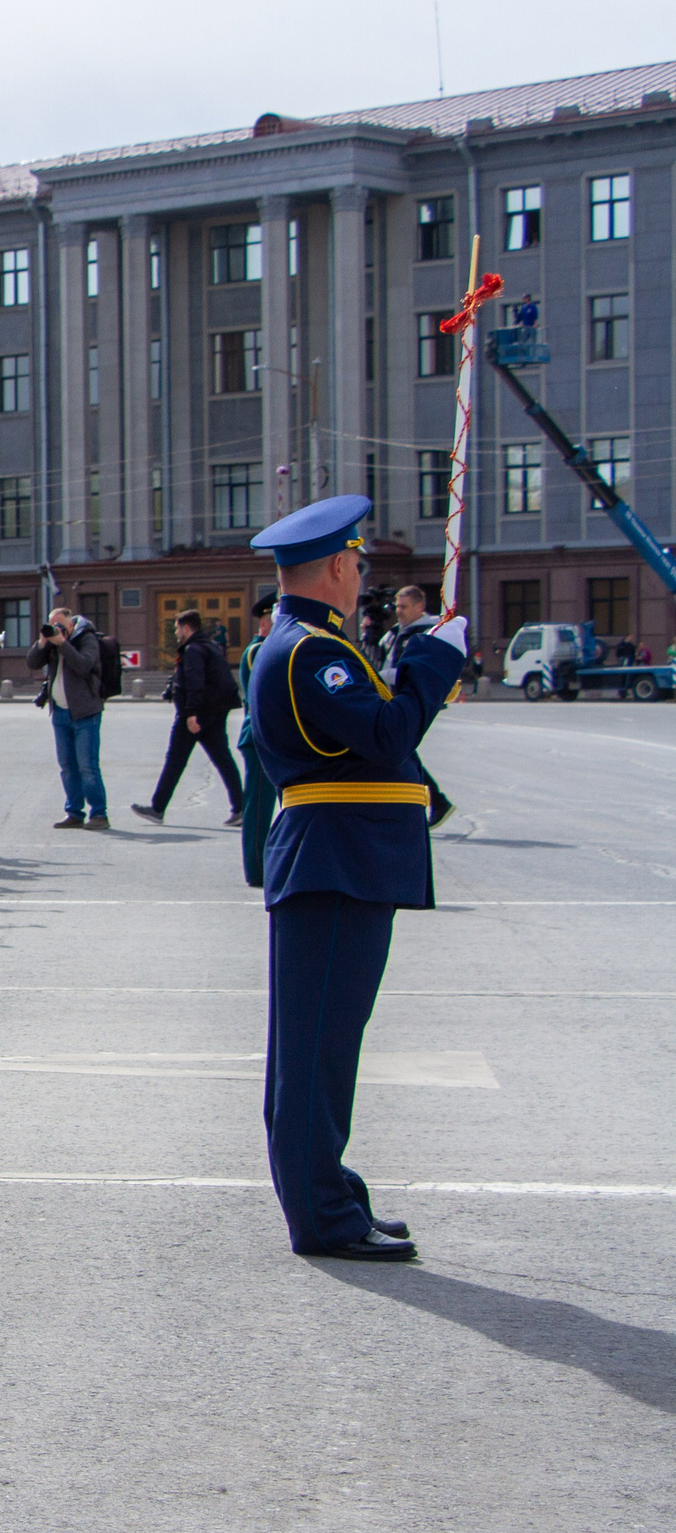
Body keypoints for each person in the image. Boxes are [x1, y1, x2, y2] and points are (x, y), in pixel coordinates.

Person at [247, 494, 467, 1262]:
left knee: (323, 1047)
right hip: (335, 861)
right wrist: (435, 660)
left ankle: (328, 1194)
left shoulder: (309, 644)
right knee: (318, 1052)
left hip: (340, 859)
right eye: (357, 564)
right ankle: (324, 1216)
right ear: (339, 566)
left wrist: (417, 660)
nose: (361, 576)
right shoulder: (312, 651)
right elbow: (386, 733)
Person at [133, 608, 244, 827]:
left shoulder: (193, 649)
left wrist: (191, 713)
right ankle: (240, 808)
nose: (176, 633)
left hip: (195, 715)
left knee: (175, 760)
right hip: (213, 712)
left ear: (186, 628)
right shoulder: (209, 646)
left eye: (177, 629)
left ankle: (157, 809)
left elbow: (195, 682)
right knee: (223, 759)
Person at [378, 586, 456, 828]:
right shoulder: (397, 631)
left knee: (400, 752)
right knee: (401, 752)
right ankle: (434, 802)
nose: (398, 611)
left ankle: (433, 802)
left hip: (409, 700)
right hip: (393, 699)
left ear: (419, 607)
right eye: (397, 606)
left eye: (404, 607)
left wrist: (380, 676)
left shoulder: (425, 634)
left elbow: (412, 671)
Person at [28, 607, 108, 830]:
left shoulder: (86, 638)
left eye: (60, 626)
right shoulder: (52, 642)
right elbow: (32, 663)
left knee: (87, 766)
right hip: (60, 713)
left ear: (71, 625)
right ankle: (74, 812)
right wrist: (43, 642)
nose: (56, 629)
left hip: (85, 713)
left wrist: (63, 643)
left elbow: (84, 665)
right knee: (67, 766)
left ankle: (99, 814)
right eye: (53, 625)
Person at [238, 594, 279, 887]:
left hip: (273, 738)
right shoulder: (258, 651)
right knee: (259, 807)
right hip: (260, 738)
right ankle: (257, 869)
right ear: (265, 624)